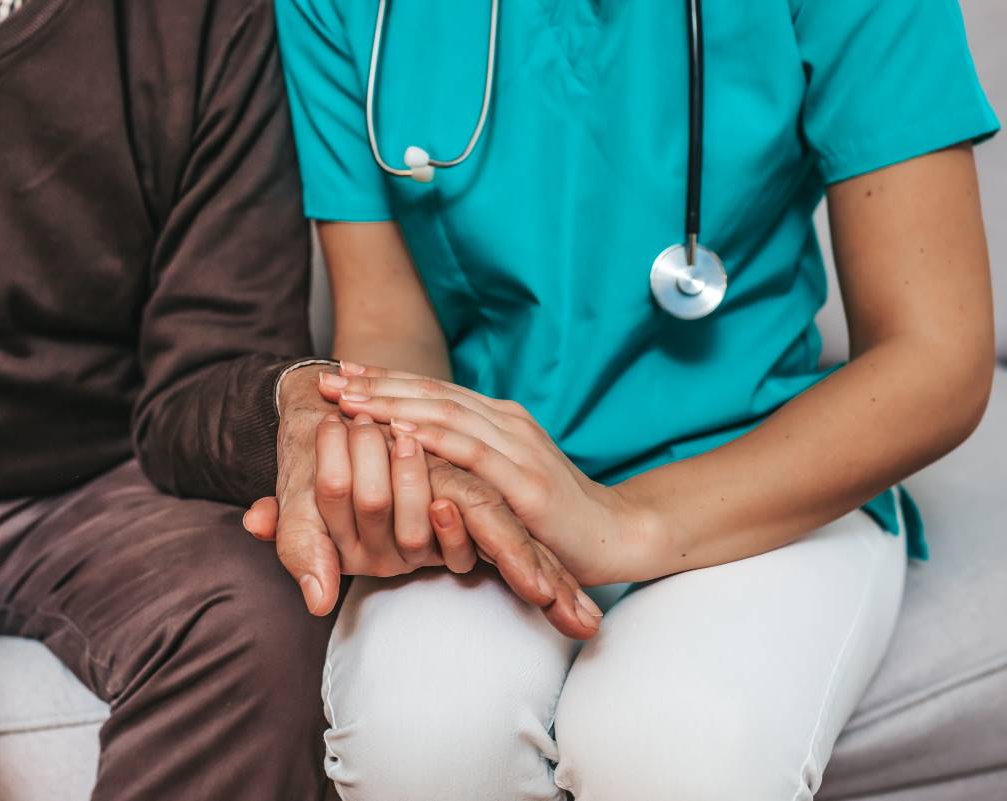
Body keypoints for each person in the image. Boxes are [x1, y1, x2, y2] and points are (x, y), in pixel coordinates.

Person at [0, 1, 583, 798]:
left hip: (105, 481)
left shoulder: (211, 16)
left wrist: (295, 417)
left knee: (263, 622)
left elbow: (211, 356)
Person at [253, 0, 1001, 798]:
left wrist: (626, 522)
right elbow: (389, 324)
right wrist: (389, 471)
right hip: (485, 499)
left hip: (764, 471)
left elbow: (937, 356)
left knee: (673, 746)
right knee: (418, 736)